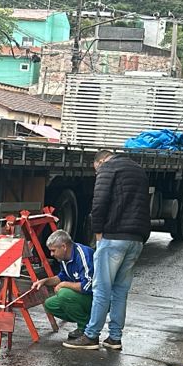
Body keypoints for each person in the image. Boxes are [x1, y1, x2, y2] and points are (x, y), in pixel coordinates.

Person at [63, 150, 150, 352]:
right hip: (135, 239)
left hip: (113, 237)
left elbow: (99, 201)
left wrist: (98, 232)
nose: (97, 173)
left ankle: (91, 335)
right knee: (120, 292)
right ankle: (114, 338)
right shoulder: (139, 170)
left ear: (100, 161)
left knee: (101, 289)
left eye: (96, 170)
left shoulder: (108, 168)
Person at [38, 229, 95, 341]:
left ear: (63, 246)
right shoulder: (64, 257)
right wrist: (44, 281)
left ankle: (85, 328)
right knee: (50, 304)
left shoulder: (83, 255)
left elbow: (88, 286)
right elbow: (61, 277)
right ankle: (85, 320)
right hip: (85, 297)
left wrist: (64, 284)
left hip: (98, 299)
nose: (51, 254)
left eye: (53, 250)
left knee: (64, 293)